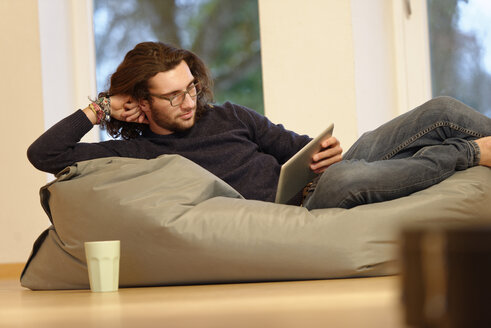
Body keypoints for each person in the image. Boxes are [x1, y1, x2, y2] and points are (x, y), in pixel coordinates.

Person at [27, 41, 491, 209]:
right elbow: (44, 155)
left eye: (191, 87)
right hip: (305, 208)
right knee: (349, 176)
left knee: (440, 110)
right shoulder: (138, 152)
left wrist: (320, 149)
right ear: (141, 102)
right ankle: (468, 154)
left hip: (319, 178)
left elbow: (296, 146)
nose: (189, 101)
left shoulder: (228, 114)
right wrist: (100, 108)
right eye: (172, 96)